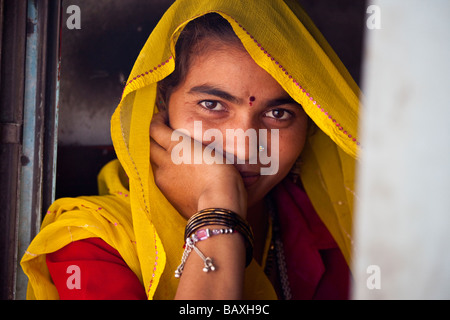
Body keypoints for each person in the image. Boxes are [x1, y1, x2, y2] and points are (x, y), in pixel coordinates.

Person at [21, 0, 360, 300]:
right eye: (212, 104)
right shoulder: (94, 243)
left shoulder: (338, 228)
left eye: (278, 114)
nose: (244, 144)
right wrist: (219, 207)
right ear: (159, 109)